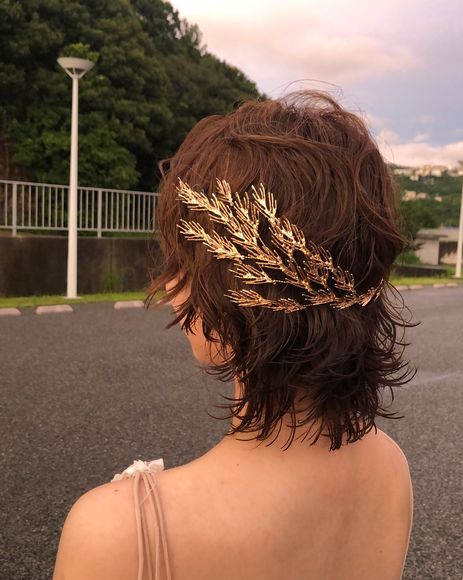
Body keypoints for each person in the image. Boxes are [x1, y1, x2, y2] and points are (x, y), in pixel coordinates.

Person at [53, 91, 414, 580]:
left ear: (235, 300)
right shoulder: (387, 466)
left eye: (183, 263)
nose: (171, 289)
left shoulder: (122, 531)